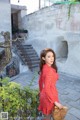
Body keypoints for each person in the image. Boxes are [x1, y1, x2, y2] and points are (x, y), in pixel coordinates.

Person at [38, 48, 63, 120]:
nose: (52, 58)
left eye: (52, 56)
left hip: (46, 96)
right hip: (49, 97)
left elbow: (40, 81)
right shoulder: (49, 70)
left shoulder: (44, 67)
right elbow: (46, 88)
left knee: (48, 116)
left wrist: (41, 92)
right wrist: (55, 102)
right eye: (48, 56)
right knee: (50, 116)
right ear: (43, 58)